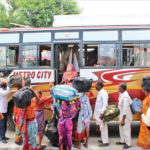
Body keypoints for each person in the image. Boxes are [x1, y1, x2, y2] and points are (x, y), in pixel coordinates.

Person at [116, 83, 132, 149]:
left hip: (126, 116)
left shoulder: (125, 96)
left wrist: (123, 120)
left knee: (126, 129)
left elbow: (125, 109)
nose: (118, 87)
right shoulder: (121, 94)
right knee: (121, 128)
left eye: (119, 87)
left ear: (122, 88)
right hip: (122, 114)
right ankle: (122, 140)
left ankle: (128, 143)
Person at [93, 81, 109, 147]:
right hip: (99, 113)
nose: (95, 86)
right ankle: (103, 139)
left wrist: (102, 113)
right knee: (101, 127)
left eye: (96, 85)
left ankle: (105, 142)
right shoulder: (100, 93)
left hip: (101, 114)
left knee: (103, 127)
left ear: (99, 86)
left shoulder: (104, 93)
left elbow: (105, 104)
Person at [137, 78, 150, 149]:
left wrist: (142, 111)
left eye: (143, 90)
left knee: (146, 132)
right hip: (144, 118)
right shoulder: (147, 96)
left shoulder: (149, 97)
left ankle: (147, 145)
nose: (142, 91)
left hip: (147, 118)